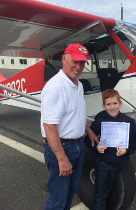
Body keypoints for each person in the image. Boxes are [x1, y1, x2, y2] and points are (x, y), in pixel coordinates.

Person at [40, 43, 99, 210]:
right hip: (62, 147)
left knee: (71, 191)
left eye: (82, 63)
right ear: (64, 59)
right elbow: (49, 126)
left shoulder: (77, 83)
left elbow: (75, 114)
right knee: (58, 198)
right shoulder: (55, 87)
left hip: (78, 145)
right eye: (75, 61)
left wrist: (88, 131)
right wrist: (61, 158)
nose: (78, 67)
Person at [84, 89, 136, 210]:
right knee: (100, 194)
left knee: (106, 192)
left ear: (120, 103)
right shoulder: (100, 121)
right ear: (103, 106)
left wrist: (127, 150)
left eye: (115, 103)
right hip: (103, 164)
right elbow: (89, 140)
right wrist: (96, 147)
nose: (112, 107)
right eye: (108, 104)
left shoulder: (128, 122)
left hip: (118, 165)